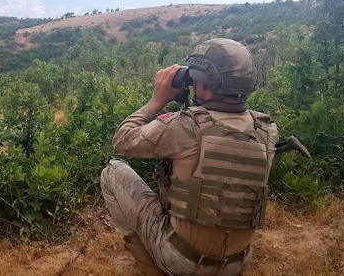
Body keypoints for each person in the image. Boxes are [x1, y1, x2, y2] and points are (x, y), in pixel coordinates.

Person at [100, 38, 279, 276]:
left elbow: (122, 140)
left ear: (204, 85)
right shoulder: (267, 129)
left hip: (183, 262)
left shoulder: (184, 126)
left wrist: (158, 100)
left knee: (113, 171)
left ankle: (150, 268)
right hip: (238, 262)